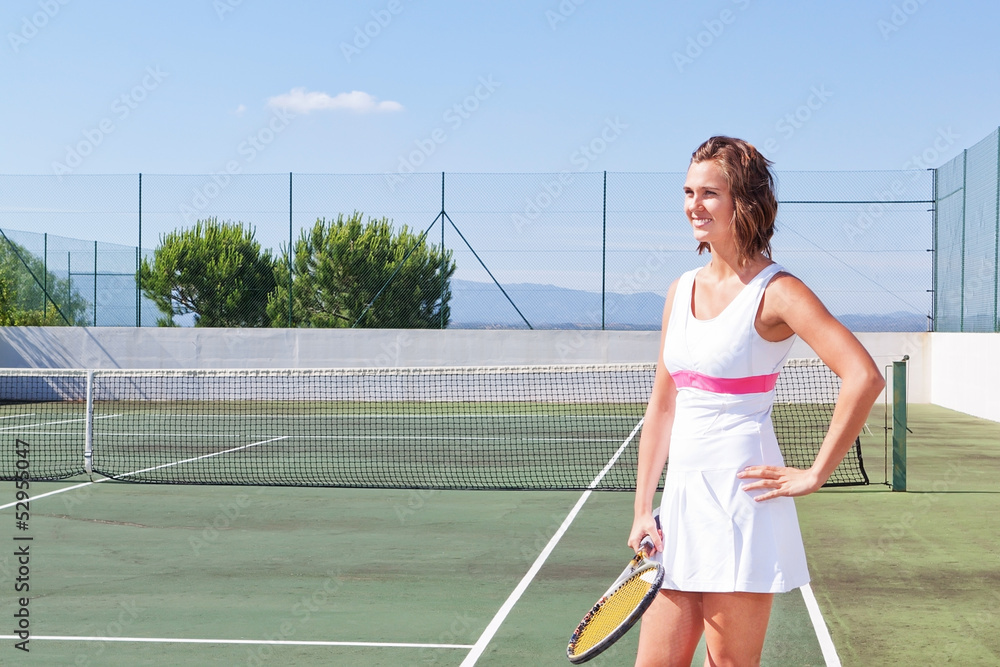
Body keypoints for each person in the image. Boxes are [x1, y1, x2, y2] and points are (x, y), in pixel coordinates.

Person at [629, 136, 885, 667]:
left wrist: (815, 473)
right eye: (687, 191)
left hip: (741, 505)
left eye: (709, 193)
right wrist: (641, 510)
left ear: (743, 202)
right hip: (678, 509)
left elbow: (863, 376)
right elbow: (662, 408)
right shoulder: (680, 289)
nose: (693, 205)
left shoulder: (779, 291)